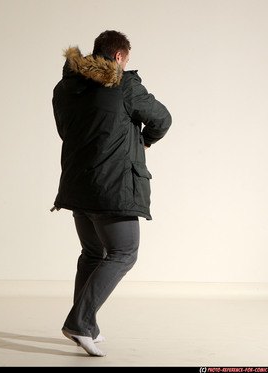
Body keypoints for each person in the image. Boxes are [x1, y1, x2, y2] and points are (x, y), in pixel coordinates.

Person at [51, 30, 172, 357]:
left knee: (94, 254)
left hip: (78, 185)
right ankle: (79, 322)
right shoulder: (124, 85)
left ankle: (86, 325)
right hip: (113, 187)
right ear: (119, 57)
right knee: (124, 251)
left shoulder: (64, 88)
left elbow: (67, 131)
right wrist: (145, 139)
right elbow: (162, 118)